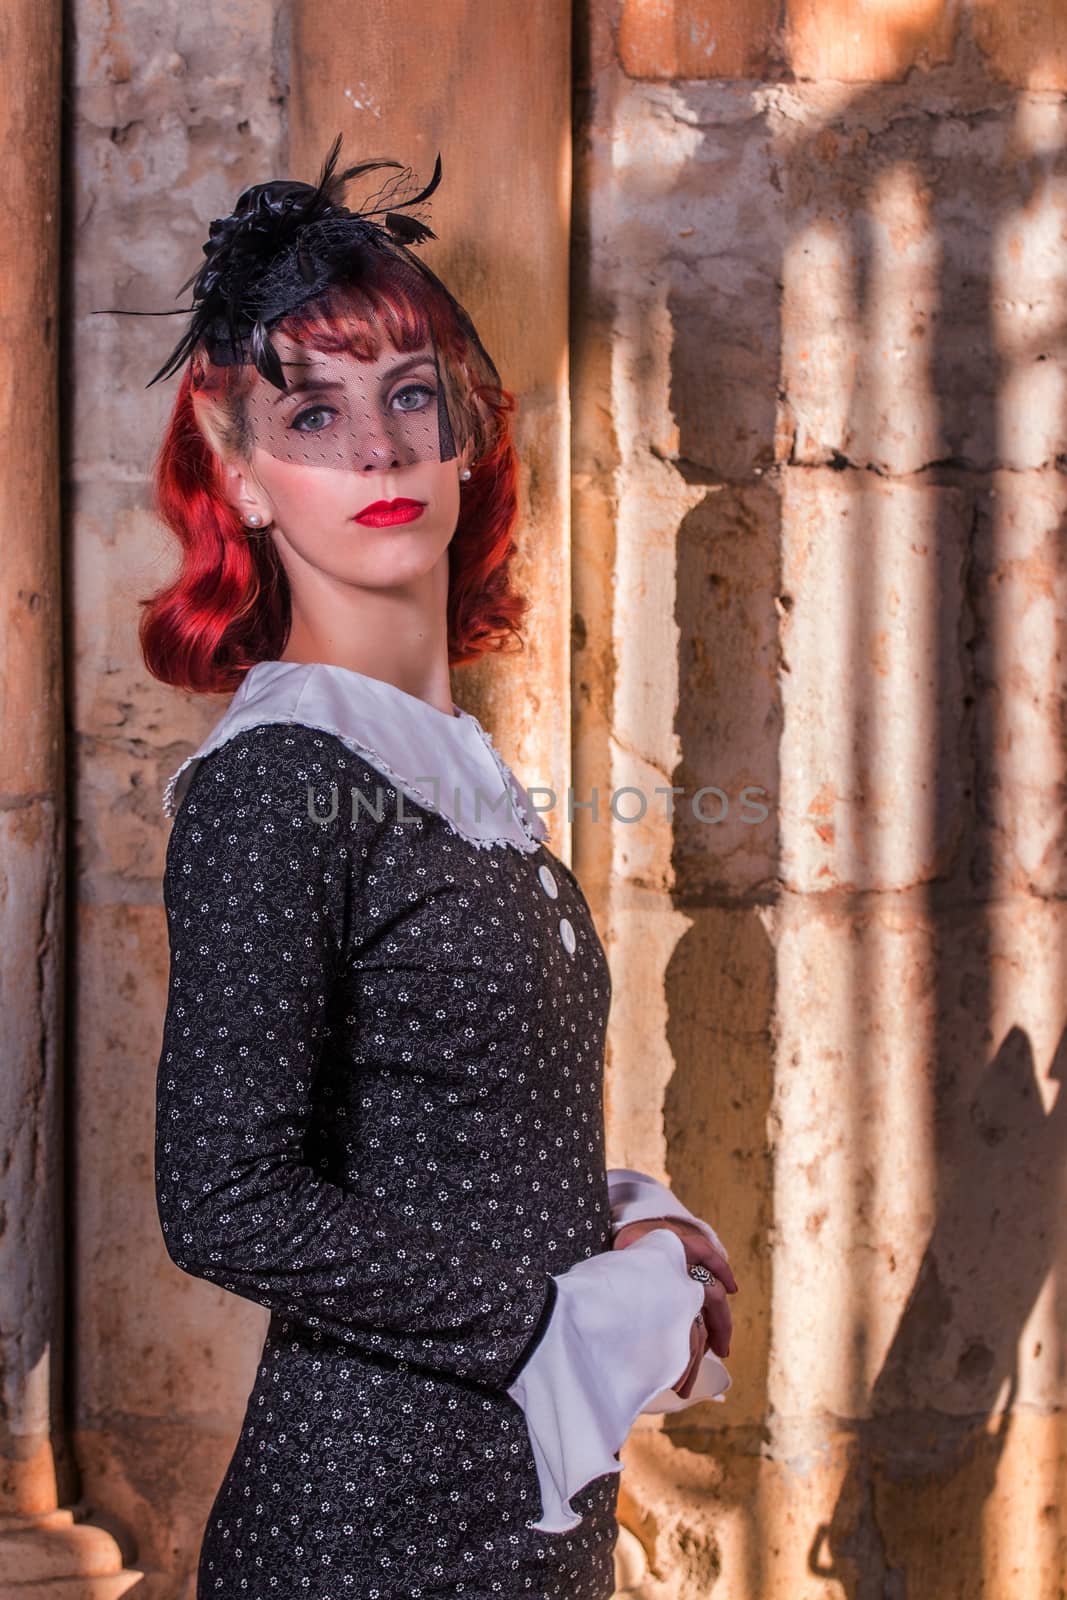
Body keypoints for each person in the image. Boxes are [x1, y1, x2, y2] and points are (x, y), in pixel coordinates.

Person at [121, 136, 739, 1598]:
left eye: (410, 396)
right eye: (312, 412)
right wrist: (548, 1325)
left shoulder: (443, 771)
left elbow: (436, 1131)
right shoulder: (278, 779)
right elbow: (223, 1197)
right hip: (366, 1522)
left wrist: (624, 1213)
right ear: (244, 473)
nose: (379, 449)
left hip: (518, 1505)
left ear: (467, 440)